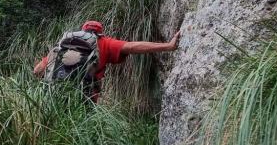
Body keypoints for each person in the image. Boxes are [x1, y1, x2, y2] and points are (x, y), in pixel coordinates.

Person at [33, 20, 181, 101]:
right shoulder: (105, 42)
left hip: (55, 97)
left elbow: (37, 70)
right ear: (100, 33)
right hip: (85, 98)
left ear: (82, 30)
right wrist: (168, 46)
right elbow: (133, 46)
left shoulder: (65, 45)